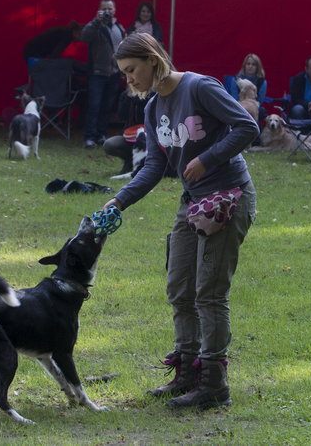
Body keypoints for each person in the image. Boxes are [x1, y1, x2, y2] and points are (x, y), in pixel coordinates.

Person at [101, 32, 258, 411]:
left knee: (209, 292)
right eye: (123, 74)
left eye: (132, 70)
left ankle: (214, 385)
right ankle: (187, 373)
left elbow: (247, 126)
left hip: (228, 197)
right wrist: (118, 202)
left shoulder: (199, 87)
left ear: (153, 59)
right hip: (192, 202)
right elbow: (155, 165)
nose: (130, 79)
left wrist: (208, 159)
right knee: (179, 286)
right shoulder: (153, 107)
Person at [81, 0, 125, 149]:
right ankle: (89, 136)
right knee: (94, 105)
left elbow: (123, 49)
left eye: (110, 9)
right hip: (97, 73)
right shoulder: (95, 26)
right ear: (99, 10)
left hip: (113, 74)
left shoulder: (119, 28)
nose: (107, 11)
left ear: (114, 10)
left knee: (107, 106)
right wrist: (96, 21)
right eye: (104, 9)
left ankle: (101, 134)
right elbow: (84, 37)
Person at [227, 53, 268, 120]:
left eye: (253, 64)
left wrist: (250, 107)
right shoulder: (236, 79)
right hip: (238, 106)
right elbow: (234, 98)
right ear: (244, 66)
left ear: (257, 67)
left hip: (255, 106)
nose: (250, 66)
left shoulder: (262, 82)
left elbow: (260, 100)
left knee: (261, 112)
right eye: (248, 64)